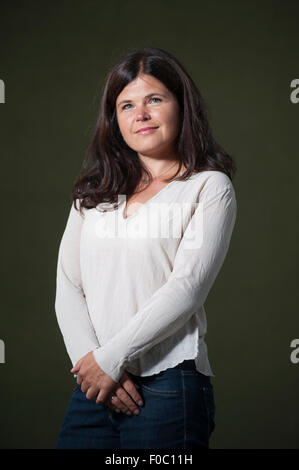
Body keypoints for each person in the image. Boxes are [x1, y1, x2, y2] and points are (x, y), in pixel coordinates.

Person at [54, 46, 237, 449]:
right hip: (95, 386)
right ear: (114, 118)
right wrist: (95, 366)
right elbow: (68, 285)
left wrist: (110, 360)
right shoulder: (93, 193)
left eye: (154, 99)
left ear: (181, 105)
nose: (141, 114)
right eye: (126, 105)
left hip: (169, 387)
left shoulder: (208, 187)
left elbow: (186, 288)